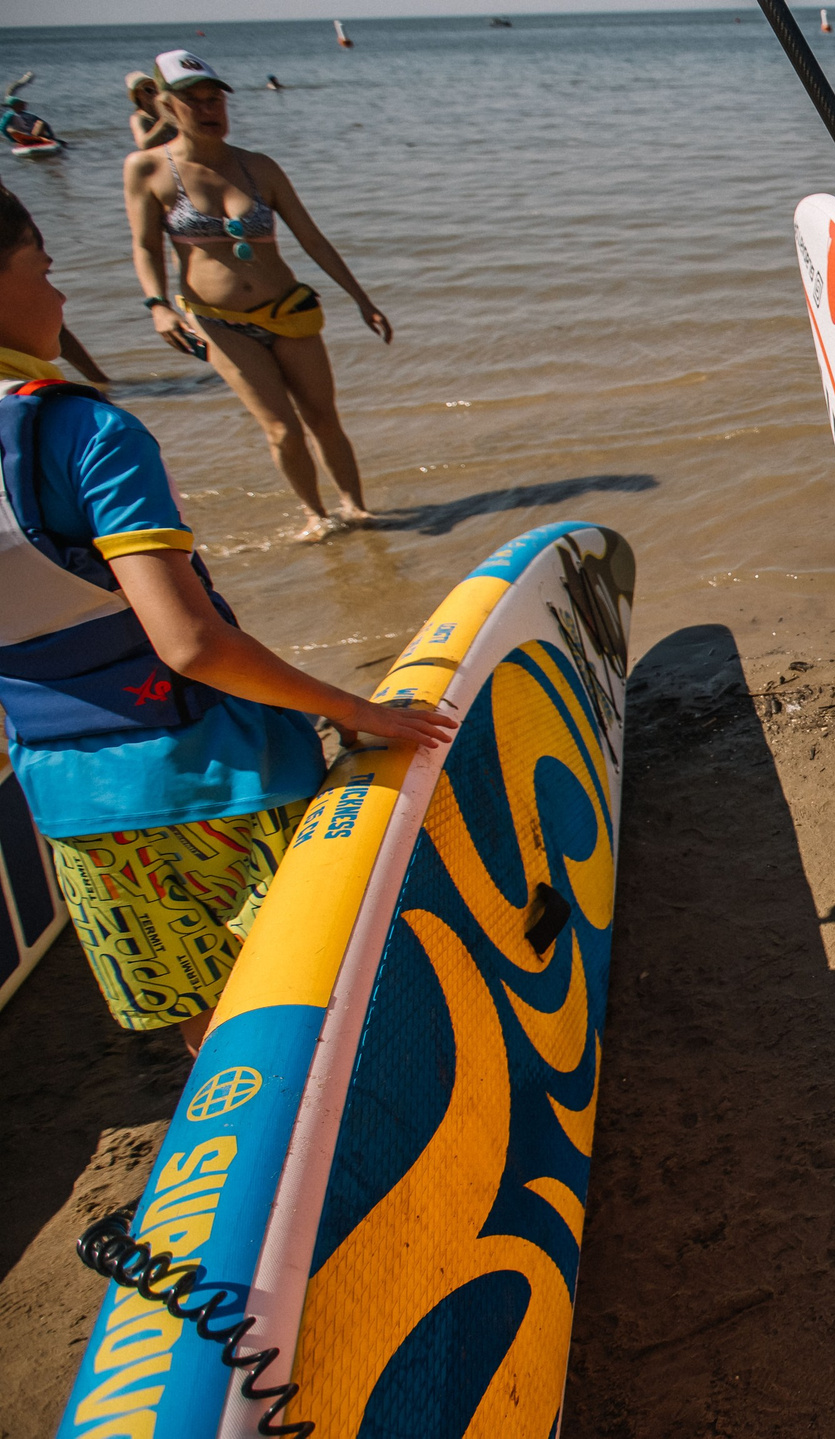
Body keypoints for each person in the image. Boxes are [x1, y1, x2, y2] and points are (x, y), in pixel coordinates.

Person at [0, 188, 455, 1054]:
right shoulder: (84, 432)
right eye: (44, 268)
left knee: (217, 1033)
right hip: (221, 786)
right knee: (318, 1000)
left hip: (73, 811)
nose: (61, 298)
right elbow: (190, 643)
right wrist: (354, 710)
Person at [124, 50, 392, 543]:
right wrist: (157, 304)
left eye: (214, 99)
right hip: (218, 320)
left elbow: (312, 238)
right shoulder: (147, 170)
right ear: (165, 106)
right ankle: (317, 516)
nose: (209, 109)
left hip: (288, 310)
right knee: (282, 429)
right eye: (193, 101)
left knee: (323, 417)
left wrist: (361, 297)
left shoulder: (259, 167)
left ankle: (356, 508)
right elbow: (144, 245)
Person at [125, 71, 175, 150]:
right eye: (149, 90)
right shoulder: (138, 118)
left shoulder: (165, 111)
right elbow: (143, 145)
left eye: (156, 89)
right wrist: (164, 123)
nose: (154, 93)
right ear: (138, 94)